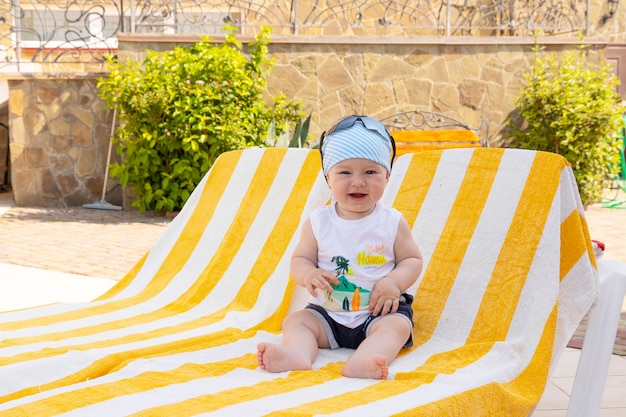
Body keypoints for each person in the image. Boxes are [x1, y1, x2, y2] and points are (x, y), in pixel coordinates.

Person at [257, 115, 423, 380]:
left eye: (370, 172)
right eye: (345, 172)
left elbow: (412, 260)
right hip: (328, 315)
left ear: (387, 176)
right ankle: (298, 354)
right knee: (296, 322)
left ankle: (364, 360)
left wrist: (393, 282)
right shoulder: (318, 222)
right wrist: (308, 275)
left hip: (378, 313)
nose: (357, 182)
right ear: (328, 177)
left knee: (397, 327)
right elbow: (300, 258)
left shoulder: (392, 221)